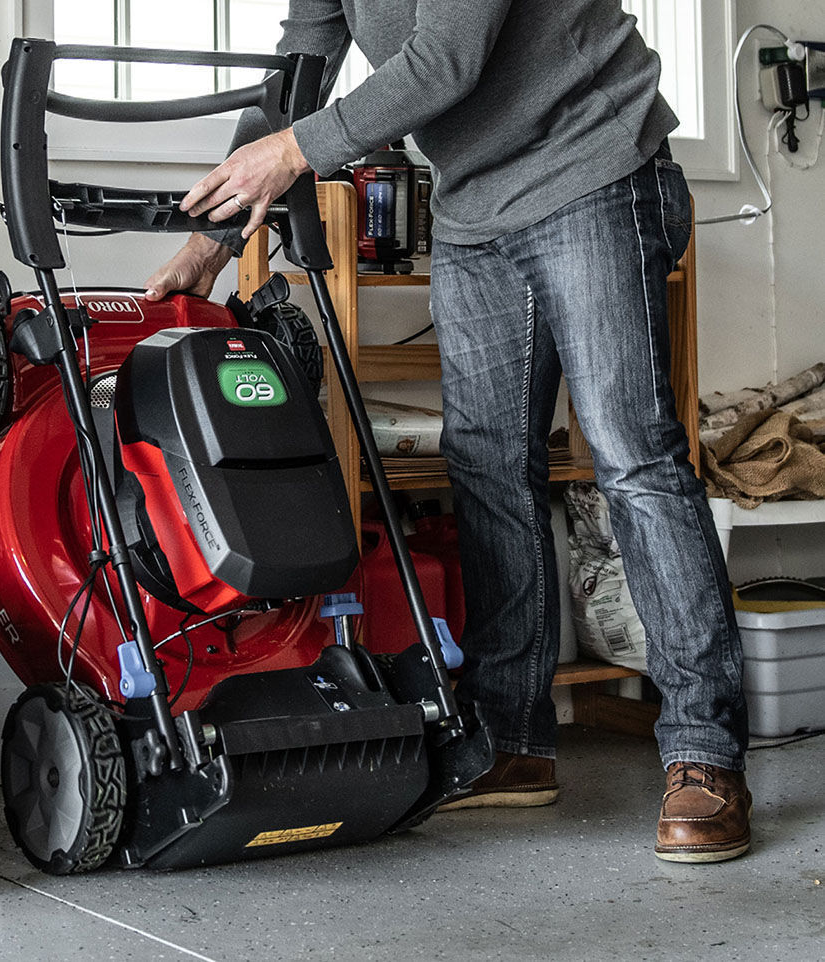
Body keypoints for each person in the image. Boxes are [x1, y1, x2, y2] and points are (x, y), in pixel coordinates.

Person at [144, 1, 751, 863]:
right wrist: (213, 232)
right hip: (475, 208)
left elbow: (446, 61)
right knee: (487, 471)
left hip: (592, 162)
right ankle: (514, 741)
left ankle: (704, 754)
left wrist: (292, 155)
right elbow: (302, 67)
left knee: (634, 460)